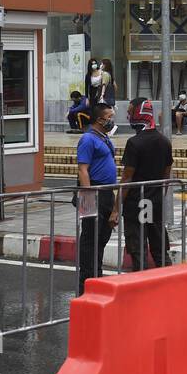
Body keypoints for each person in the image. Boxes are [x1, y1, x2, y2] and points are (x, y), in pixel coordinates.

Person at [116, 98, 174, 270]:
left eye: (130, 111)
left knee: (138, 250)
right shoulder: (165, 142)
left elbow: (126, 179)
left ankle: (141, 288)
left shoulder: (134, 143)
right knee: (160, 249)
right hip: (154, 204)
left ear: (139, 113)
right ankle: (171, 284)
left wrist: (115, 209)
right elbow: (166, 177)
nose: (128, 115)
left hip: (135, 205)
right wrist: (157, 197)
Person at [75, 102, 118, 286]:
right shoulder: (87, 139)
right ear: (100, 119)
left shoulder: (104, 138)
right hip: (94, 193)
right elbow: (83, 170)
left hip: (107, 193)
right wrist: (88, 199)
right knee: (90, 239)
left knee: (102, 237)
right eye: (110, 117)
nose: (112, 121)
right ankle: (87, 282)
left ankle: (97, 277)